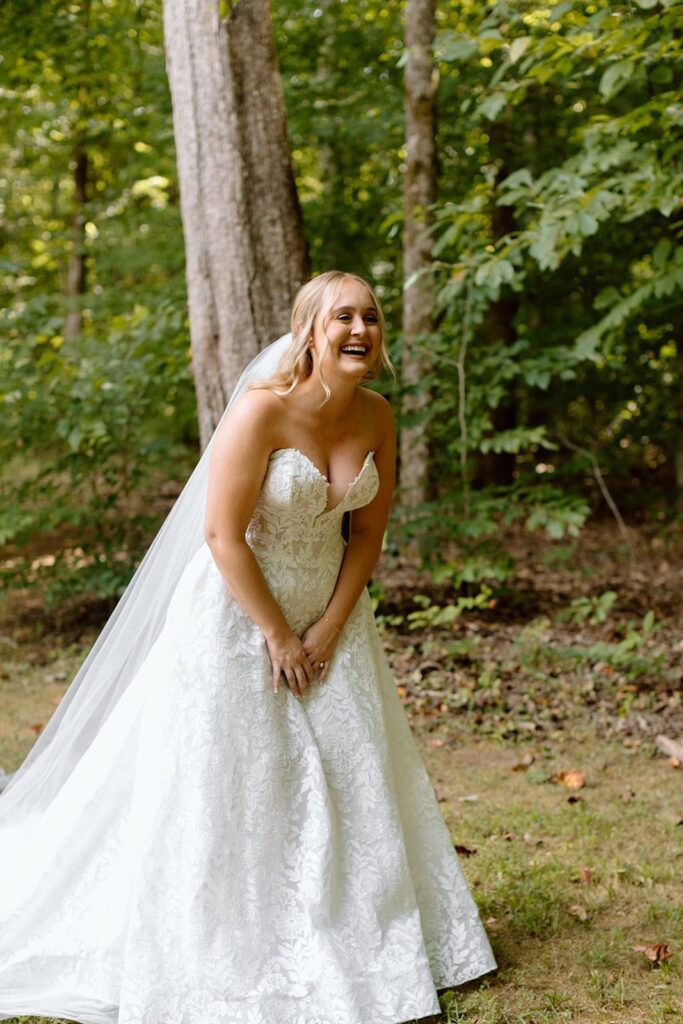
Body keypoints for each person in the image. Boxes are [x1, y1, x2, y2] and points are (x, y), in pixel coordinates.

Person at [0, 270, 496, 1024]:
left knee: (351, 766)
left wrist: (327, 628)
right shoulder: (261, 411)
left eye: (370, 317)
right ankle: (230, 938)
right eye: (343, 318)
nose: (360, 329)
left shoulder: (378, 416)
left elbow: (366, 534)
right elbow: (220, 536)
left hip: (332, 618)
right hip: (237, 618)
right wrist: (276, 634)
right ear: (309, 330)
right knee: (239, 773)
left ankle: (362, 930)